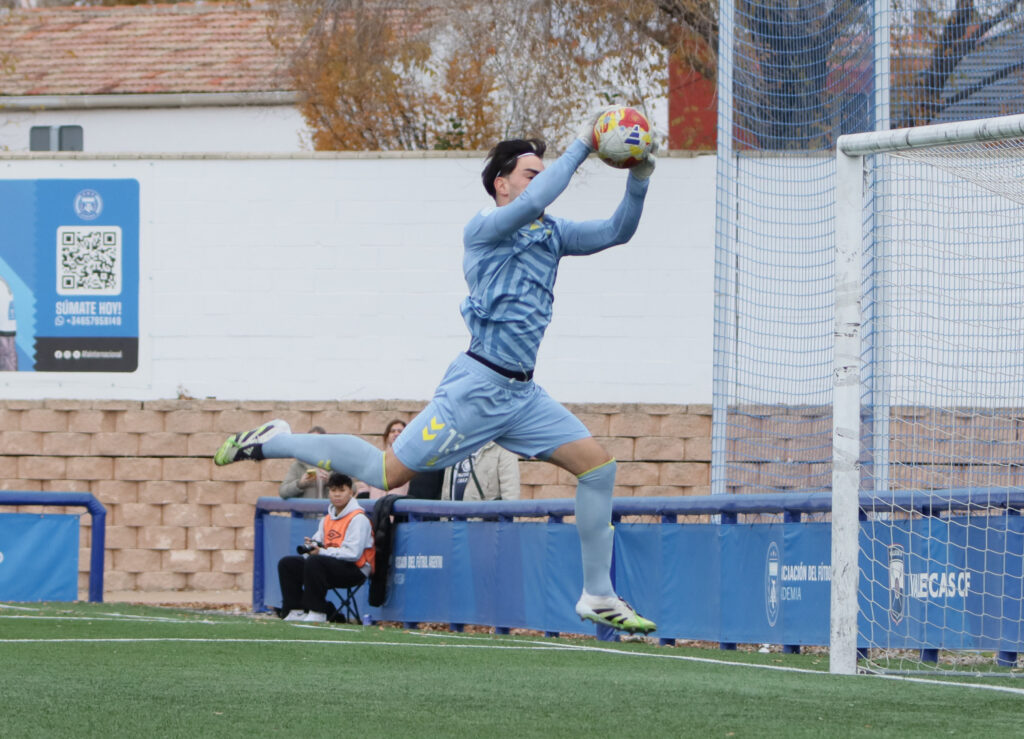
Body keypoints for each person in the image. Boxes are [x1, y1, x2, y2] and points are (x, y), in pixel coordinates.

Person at [216, 110, 657, 634]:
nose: (537, 183)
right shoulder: (484, 229)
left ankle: (598, 594)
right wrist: (584, 143)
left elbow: (616, 232)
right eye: (528, 173)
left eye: (541, 173)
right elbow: (539, 200)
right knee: (386, 474)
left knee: (598, 469)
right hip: (476, 388)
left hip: (523, 395)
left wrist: (639, 177)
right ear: (501, 183)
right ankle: (280, 441)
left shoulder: (552, 234)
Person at [277, 471, 374, 623]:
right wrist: (312, 546)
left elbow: (353, 554)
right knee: (288, 564)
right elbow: (319, 542)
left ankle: (317, 612)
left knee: (315, 562)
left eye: (341, 490)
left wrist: (321, 552)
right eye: (333, 490)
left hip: (355, 569)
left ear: (351, 492)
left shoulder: (359, 519)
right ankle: (295, 610)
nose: (337, 495)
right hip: (330, 564)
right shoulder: (327, 519)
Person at [442, 441, 520, 501]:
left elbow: (511, 495)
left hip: (481, 520)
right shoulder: (455, 444)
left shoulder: (503, 447)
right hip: (451, 519)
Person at [355, 419, 410, 499]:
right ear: (387, 437)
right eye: (392, 431)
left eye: (400, 431)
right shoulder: (378, 459)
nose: (396, 434)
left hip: (397, 506)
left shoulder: (410, 460)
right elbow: (368, 484)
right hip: (376, 506)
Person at [278, 426, 329, 499]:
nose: (313, 444)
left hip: (328, 510)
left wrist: (331, 482)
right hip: (304, 510)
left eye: (318, 441)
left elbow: (350, 489)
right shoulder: (298, 465)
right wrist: (300, 484)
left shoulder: (335, 465)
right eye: (310, 440)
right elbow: (282, 492)